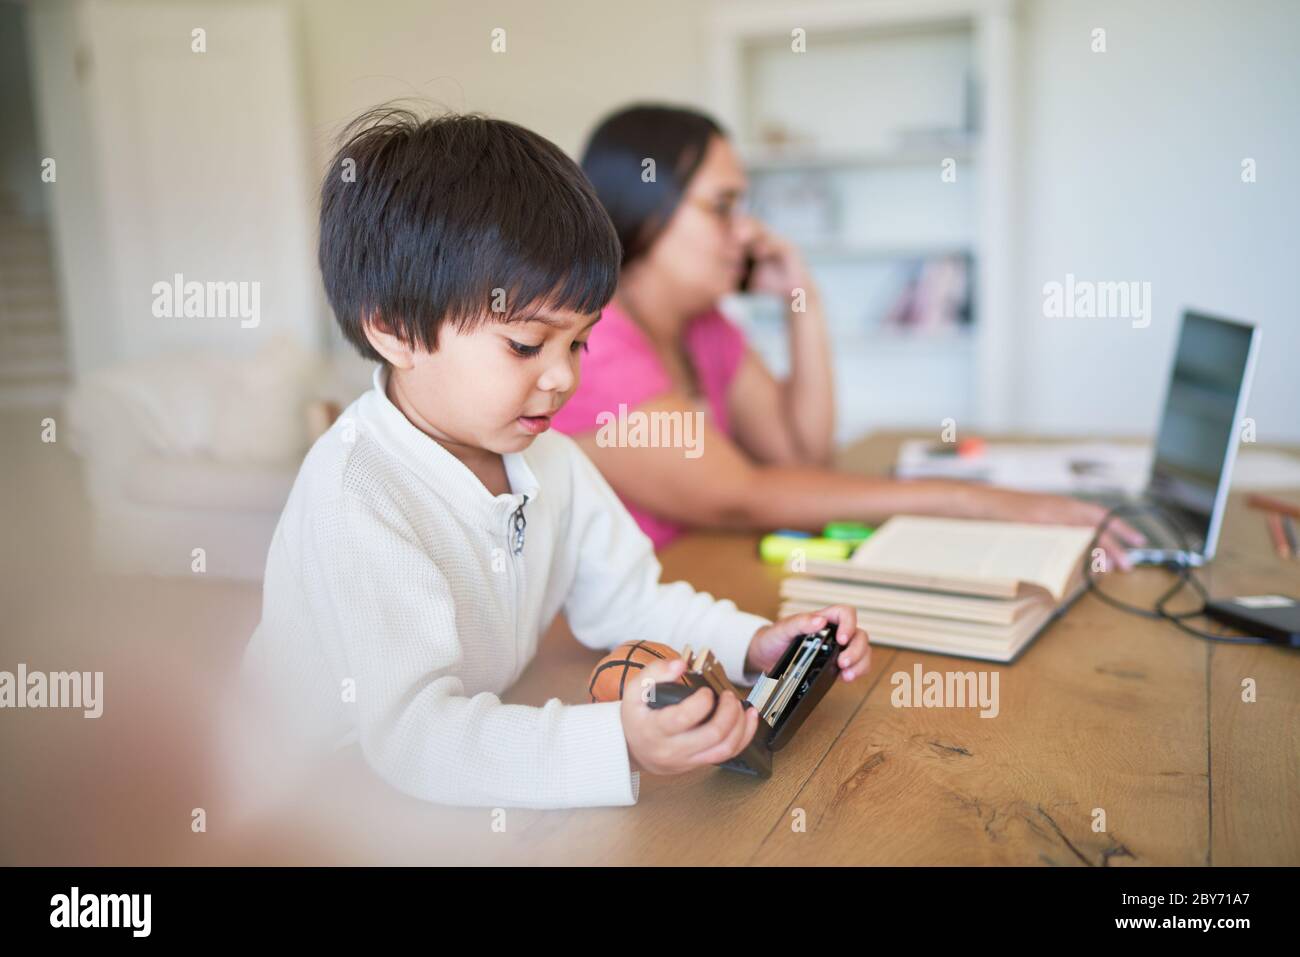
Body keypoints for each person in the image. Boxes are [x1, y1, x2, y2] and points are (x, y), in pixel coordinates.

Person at [240, 107, 870, 810]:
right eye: (525, 344)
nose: (564, 378)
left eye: (579, 343)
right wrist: (615, 741)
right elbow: (414, 733)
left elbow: (628, 598)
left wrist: (754, 643)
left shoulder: (550, 458)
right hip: (319, 799)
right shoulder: (356, 493)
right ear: (392, 328)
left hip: (461, 772)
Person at [552, 105, 1143, 566]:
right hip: (609, 649)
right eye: (723, 207)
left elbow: (802, 456)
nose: (748, 231)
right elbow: (743, 494)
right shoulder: (595, 343)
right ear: (644, 208)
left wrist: (803, 302)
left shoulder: (707, 327)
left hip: (698, 585)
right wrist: (976, 503)